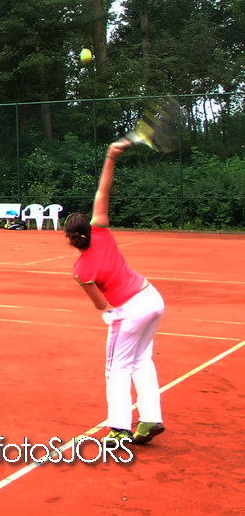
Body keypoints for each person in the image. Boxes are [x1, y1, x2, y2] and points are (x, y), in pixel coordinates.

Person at [64, 139, 165, 447]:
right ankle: (150, 419)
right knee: (141, 359)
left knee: (116, 367)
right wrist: (111, 156)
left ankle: (119, 428)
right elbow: (102, 192)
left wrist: (112, 312)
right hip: (152, 298)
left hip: (131, 310)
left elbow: (101, 305)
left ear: (69, 239)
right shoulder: (102, 231)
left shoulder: (81, 271)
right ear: (88, 229)